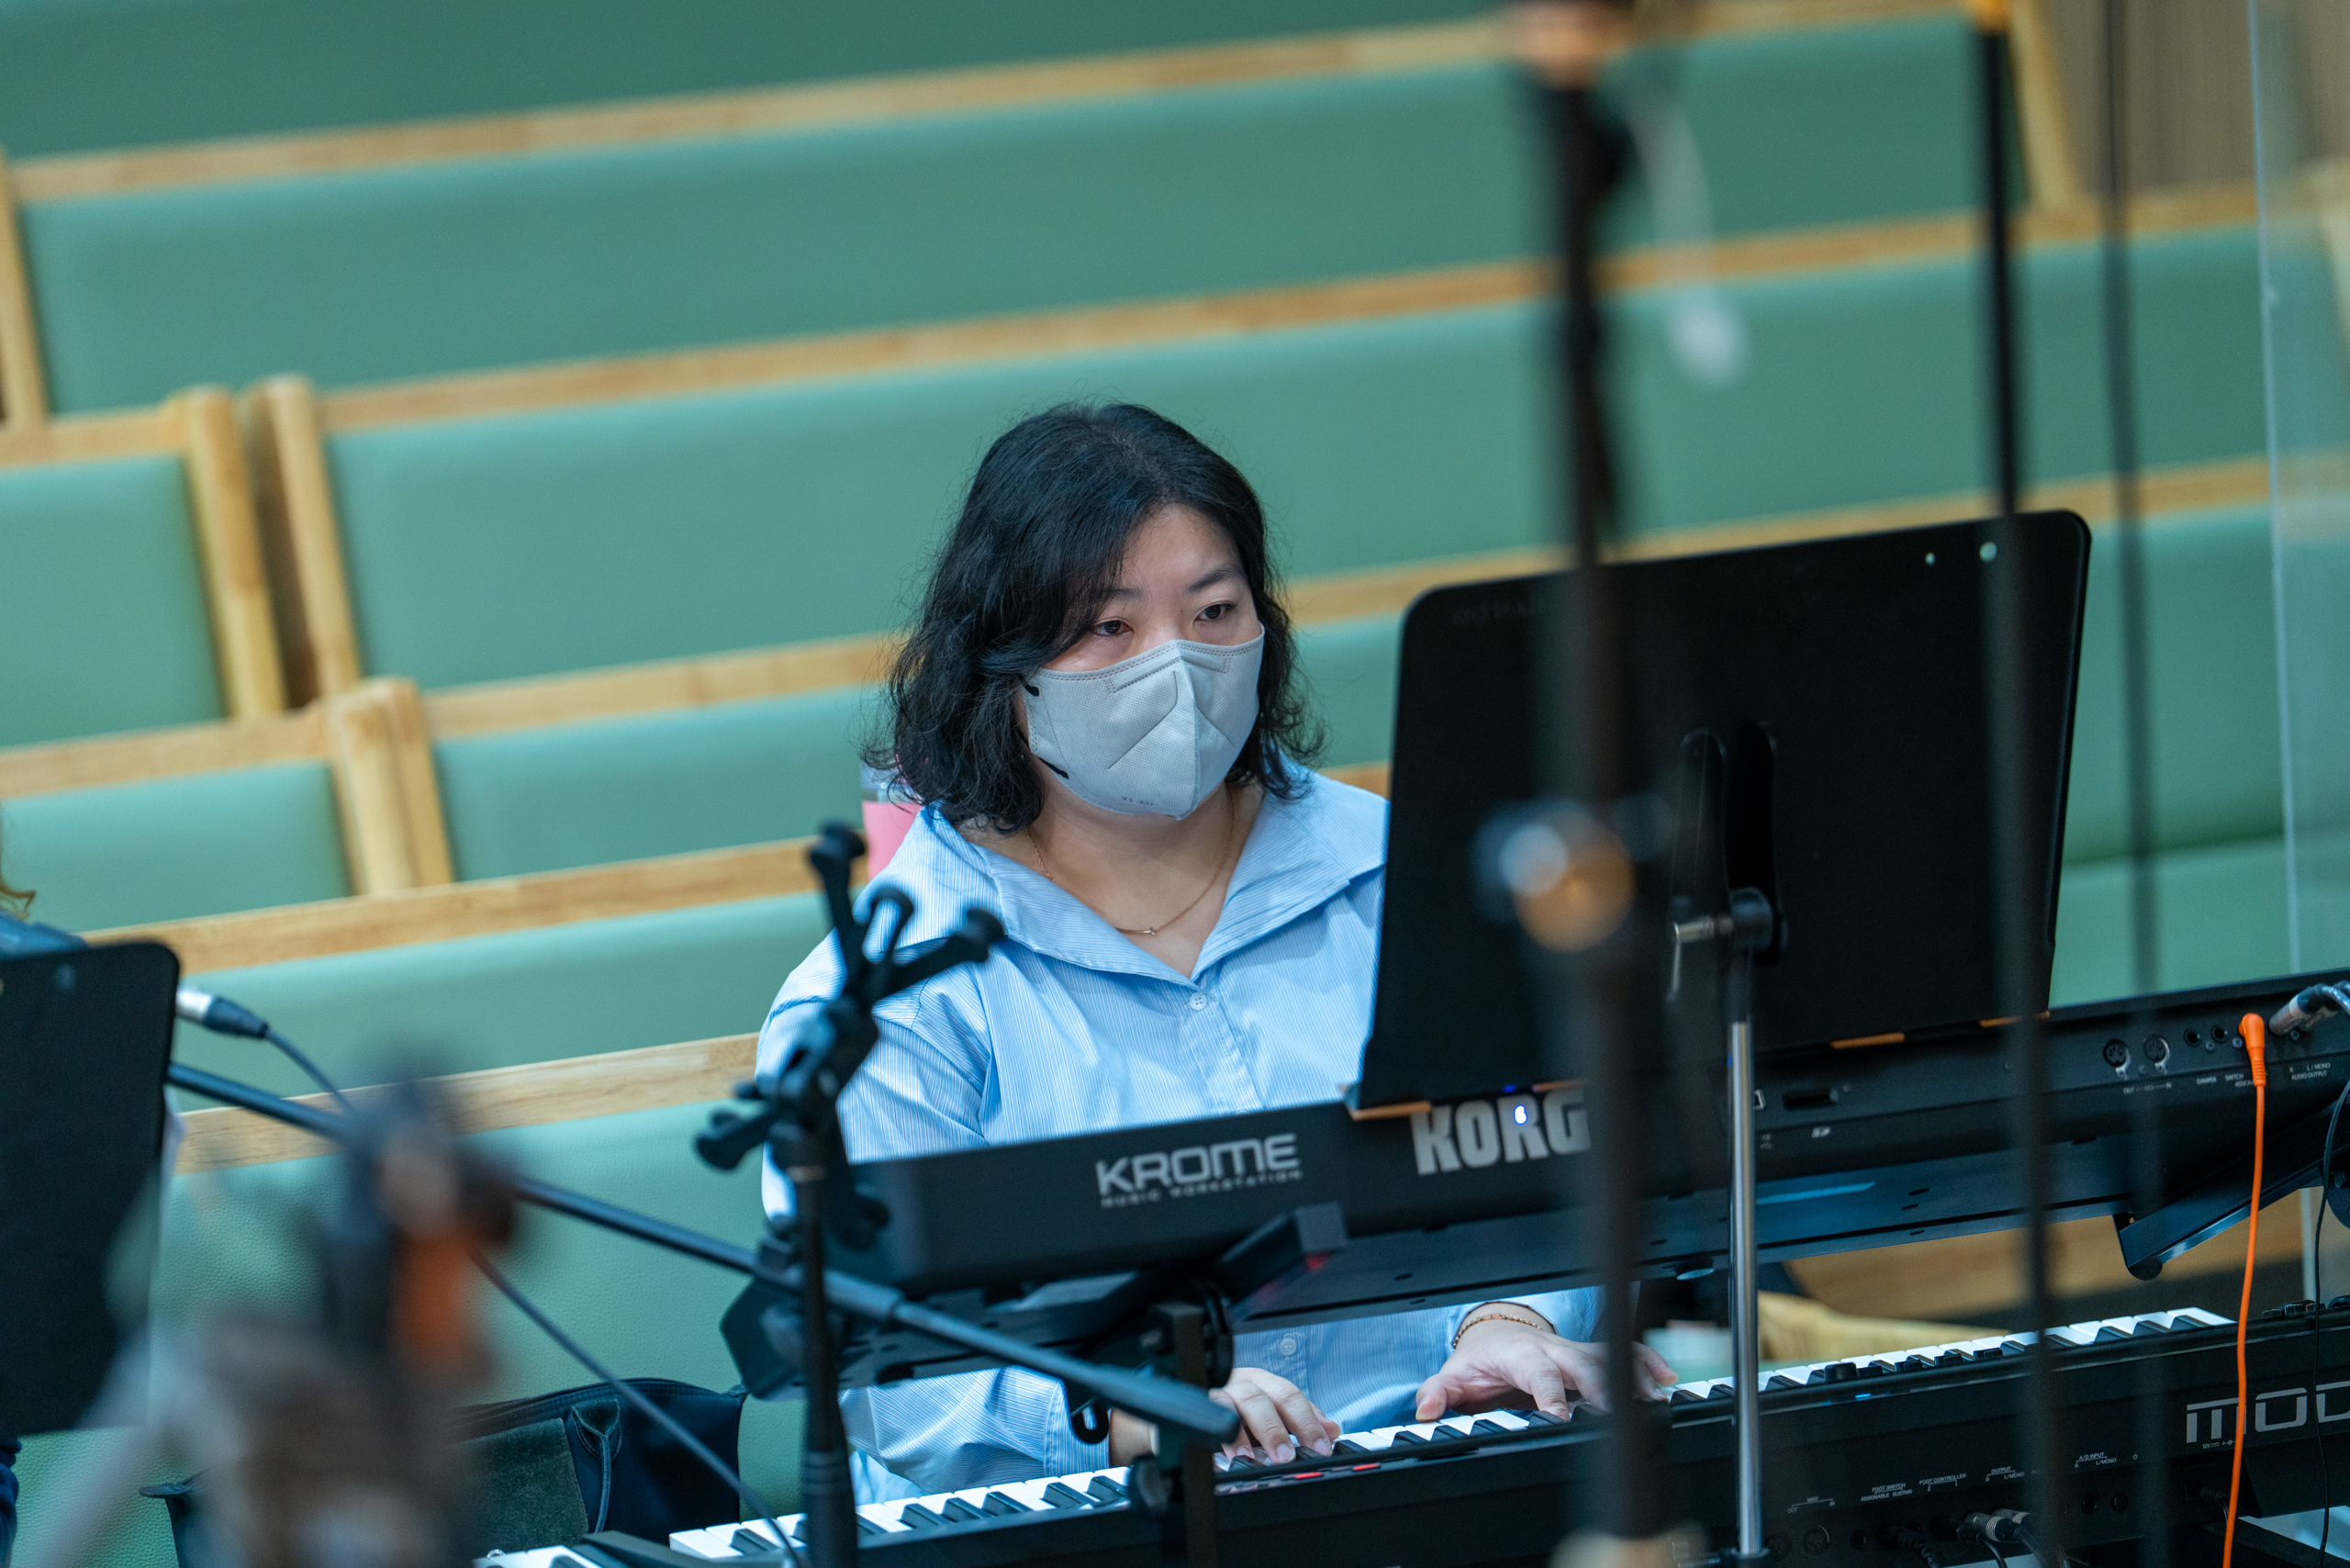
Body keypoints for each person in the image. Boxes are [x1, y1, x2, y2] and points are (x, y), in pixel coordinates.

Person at [756, 403, 1671, 1500]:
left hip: (1443, 1473)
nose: (1177, 665)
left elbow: (1550, 1153)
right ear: (1000, 663)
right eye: (1110, 627)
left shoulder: (1412, 875)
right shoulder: (887, 994)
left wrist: (1511, 1319)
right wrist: (1125, 1412)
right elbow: (889, 1371)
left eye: (1214, 611)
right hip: (1100, 1519)